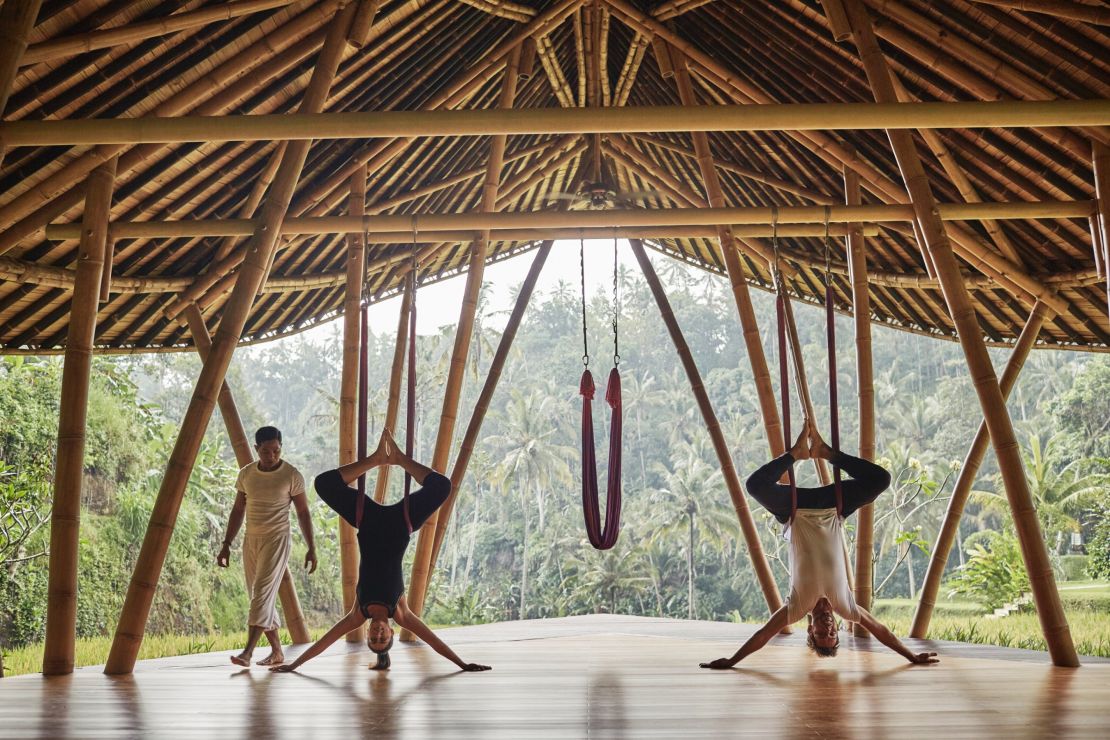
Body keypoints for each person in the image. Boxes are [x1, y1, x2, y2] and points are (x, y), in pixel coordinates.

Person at [701, 421, 938, 668]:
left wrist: (732, 661)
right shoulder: (846, 607)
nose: (827, 629)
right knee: (881, 479)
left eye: (821, 635)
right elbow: (881, 630)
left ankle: (795, 454)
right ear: (837, 629)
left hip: (794, 510)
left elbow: (762, 635)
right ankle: (828, 454)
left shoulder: (796, 608)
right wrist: (912, 656)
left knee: (755, 486)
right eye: (832, 634)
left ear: (809, 630)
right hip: (833, 507)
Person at [272, 430, 490, 674]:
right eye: (382, 637)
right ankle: (398, 459)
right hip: (402, 521)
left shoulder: (358, 613)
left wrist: (293, 665)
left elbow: (326, 640)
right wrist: (462, 664)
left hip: (367, 520)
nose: (377, 633)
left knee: (324, 484)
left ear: (367, 634)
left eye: (373, 638)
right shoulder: (401, 613)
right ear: (391, 632)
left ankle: (376, 460)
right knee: (442, 486)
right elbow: (433, 640)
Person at [217, 426, 317, 667]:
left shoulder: (291, 475)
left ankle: (248, 653)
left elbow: (303, 512)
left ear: (281, 447)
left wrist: (311, 546)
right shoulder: (246, 474)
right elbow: (238, 510)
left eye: (276, 450)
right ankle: (277, 653)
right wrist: (226, 544)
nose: (271, 456)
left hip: (277, 540)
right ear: (256, 449)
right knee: (259, 596)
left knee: (261, 594)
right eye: (265, 451)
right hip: (251, 540)